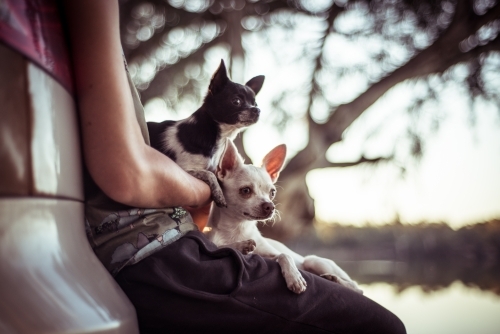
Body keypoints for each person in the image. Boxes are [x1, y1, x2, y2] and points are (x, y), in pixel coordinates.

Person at [62, 1, 406, 333]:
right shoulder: (204, 157)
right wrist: (207, 186)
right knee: (383, 327)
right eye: (245, 190)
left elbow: (188, 212)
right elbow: (127, 173)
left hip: (172, 249)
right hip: (156, 259)